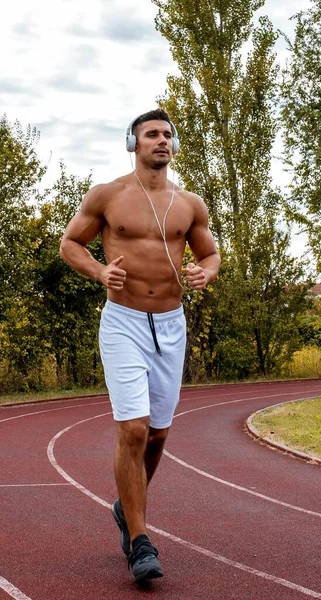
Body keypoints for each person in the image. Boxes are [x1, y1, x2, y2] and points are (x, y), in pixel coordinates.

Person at [59, 108, 221, 583]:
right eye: (151, 134)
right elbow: (71, 244)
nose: (162, 141)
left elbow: (209, 253)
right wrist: (98, 271)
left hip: (171, 324)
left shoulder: (190, 203)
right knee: (133, 430)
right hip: (124, 321)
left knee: (158, 435)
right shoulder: (107, 196)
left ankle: (124, 507)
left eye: (168, 135)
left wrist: (204, 272)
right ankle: (139, 539)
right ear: (133, 144)